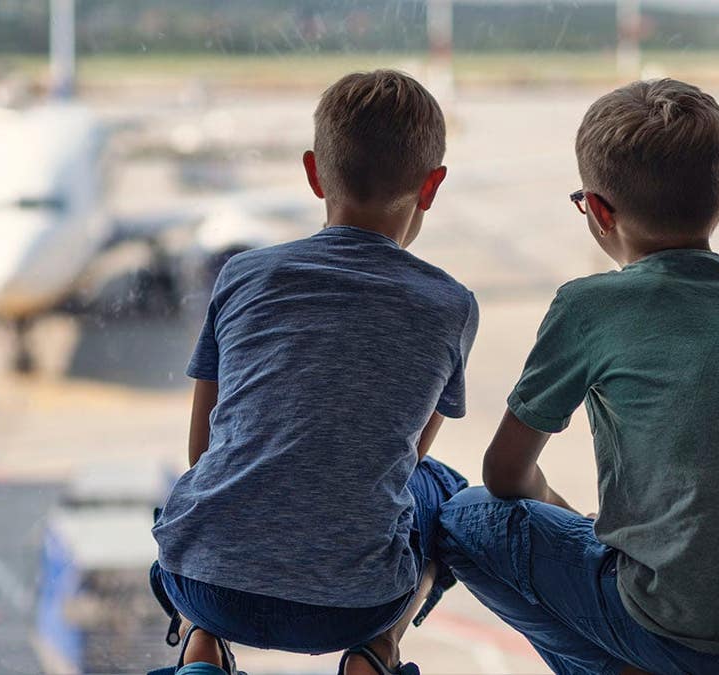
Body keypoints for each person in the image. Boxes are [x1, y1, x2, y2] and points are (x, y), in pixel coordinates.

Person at [437, 79, 719, 675]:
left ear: (598, 212)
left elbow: (503, 472)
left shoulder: (589, 306)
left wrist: (567, 516)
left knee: (462, 519)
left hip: (678, 627)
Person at [149, 69, 478, 675]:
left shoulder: (243, 274)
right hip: (353, 607)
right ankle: (378, 651)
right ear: (432, 187)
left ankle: (200, 644)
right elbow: (402, 465)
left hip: (204, 585)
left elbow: (203, 449)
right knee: (446, 491)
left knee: (202, 491)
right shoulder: (450, 304)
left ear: (313, 172)